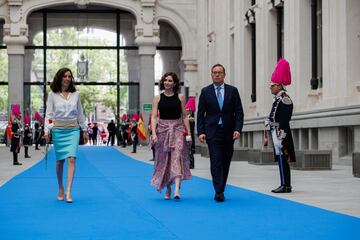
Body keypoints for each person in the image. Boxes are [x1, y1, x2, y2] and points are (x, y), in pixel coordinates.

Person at [197, 64, 244, 202]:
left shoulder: (232, 91)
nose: (217, 75)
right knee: (216, 161)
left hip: (229, 132)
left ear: (224, 75)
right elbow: (200, 114)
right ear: (211, 75)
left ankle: (221, 186)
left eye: (219, 72)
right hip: (212, 132)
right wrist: (201, 132)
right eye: (214, 72)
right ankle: (219, 191)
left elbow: (239, 112)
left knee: (225, 161)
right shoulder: (205, 92)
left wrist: (237, 129)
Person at [44, 67, 88, 203]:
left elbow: (80, 114)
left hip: (73, 130)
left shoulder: (76, 95)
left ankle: (69, 190)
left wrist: (84, 129)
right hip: (58, 130)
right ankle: (60, 187)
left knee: (72, 159)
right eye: (65, 76)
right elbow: (49, 115)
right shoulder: (52, 94)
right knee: (59, 161)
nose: (68, 79)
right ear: (60, 78)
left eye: (70, 76)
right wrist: (47, 130)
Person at [150, 72, 192, 200]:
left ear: (174, 84)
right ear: (163, 82)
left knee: (176, 157)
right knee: (165, 160)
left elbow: (184, 116)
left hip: (178, 130)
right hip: (163, 131)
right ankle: (168, 188)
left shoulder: (180, 97)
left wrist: (188, 134)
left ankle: (177, 189)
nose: (167, 82)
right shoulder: (157, 98)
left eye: (170, 81)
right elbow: (154, 117)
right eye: (165, 80)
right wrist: (154, 133)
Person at [264, 58, 296, 193]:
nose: (270, 87)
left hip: (281, 135)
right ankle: (284, 183)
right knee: (281, 160)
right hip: (276, 133)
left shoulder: (285, 99)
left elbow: (284, 121)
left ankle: (285, 185)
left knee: (283, 159)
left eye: (273, 85)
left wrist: (280, 137)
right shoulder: (278, 99)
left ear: (279, 85)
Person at [185, 97, 196, 169]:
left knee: (189, 149)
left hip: (188, 136)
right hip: (189, 135)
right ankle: (190, 164)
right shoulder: (191, 118)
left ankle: (190, 164)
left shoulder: (190, 119)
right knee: (189, 150)